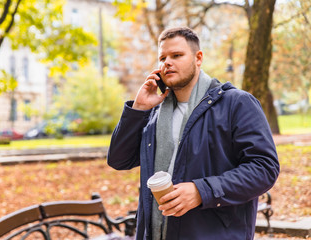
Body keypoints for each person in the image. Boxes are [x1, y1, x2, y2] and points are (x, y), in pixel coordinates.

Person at [107, 27, 279, 240]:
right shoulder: (153, 113)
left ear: (198, 58)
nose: (166, 62)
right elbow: (118, 160)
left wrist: (202, 191)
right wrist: (138, 109)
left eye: (177, 55)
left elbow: (264, 168)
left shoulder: (237, 103)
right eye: (162, 57)